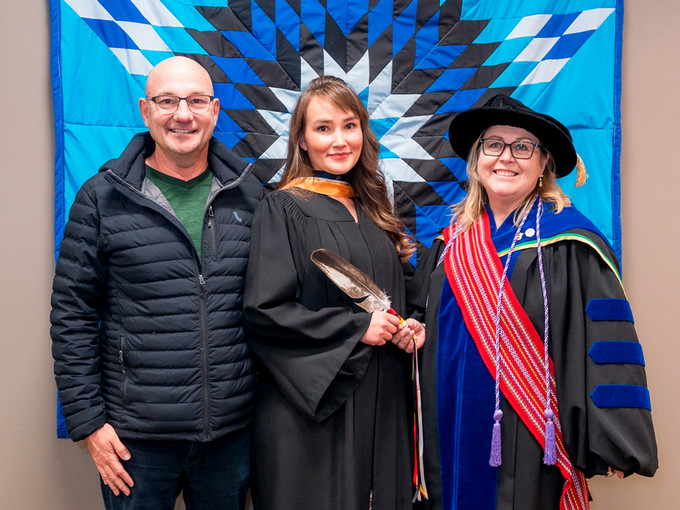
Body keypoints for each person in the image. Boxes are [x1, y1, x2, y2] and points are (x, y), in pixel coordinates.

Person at [409, 94, 658, 510]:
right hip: (447, 427)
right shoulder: (449, 244)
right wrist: (415, 329)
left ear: (543, 163)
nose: (506, 158)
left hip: (527, 434)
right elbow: (423, 314)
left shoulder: (569, 242)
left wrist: (615, 433)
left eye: (522, 147)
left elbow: (604, 339)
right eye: (493, 145)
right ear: (477, 158)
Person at [50, 56, 263, 510]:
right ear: (146, 111)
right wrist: (88, 422)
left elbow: (274, 305)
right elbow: (73, 316)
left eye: (196, 101)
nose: (182, 114)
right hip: (135, 440)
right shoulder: (102, 197)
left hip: (231, 435)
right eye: (168, 101)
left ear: (215, 110)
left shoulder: (251, 195)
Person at [242, 75, 425, 510]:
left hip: (382, 399)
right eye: (323, 128)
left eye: (349, 125)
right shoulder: (283, 207)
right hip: (315, 407)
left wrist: (411, 324)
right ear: (302, 140)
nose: (339, 140)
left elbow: (404, 291)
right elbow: (264, 311)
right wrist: (357, 327)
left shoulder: (377, 209)